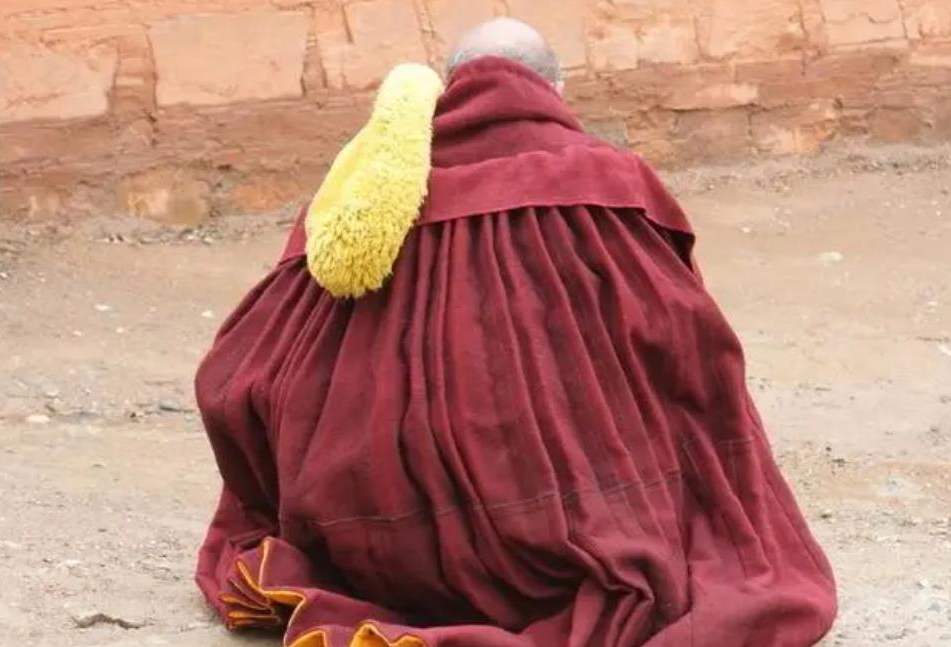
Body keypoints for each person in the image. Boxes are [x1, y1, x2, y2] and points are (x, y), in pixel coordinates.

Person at [194, 18, 837, 647]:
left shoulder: (366, 200)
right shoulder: (613, 180)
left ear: (449, 88)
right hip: (582, 537)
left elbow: (247, 364)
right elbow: (690, 347)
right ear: (554, 91)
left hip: (382, 546)